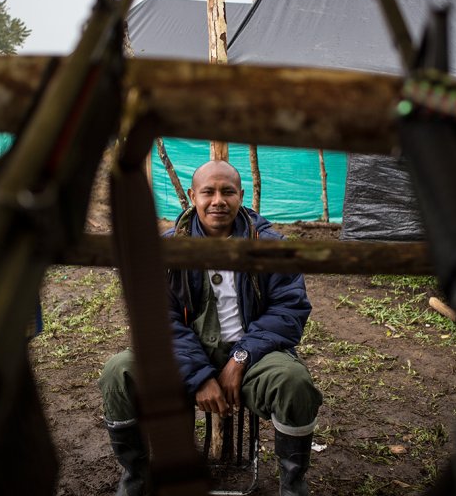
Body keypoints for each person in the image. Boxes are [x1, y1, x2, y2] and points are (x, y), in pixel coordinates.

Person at [99, 159, 323, 496]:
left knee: (295, 383)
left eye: (227, 191)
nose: (218, 200)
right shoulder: (167, 249)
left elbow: (289, 310)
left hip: (253, 357)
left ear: (241, 195)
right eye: (208, 192)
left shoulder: (269, 245)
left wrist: (241, 358)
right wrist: (199, 375)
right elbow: (159, 319)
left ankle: (293, 485)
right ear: (193, 195)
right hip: (184, 356)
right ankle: (136, 476)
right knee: (119, 372)